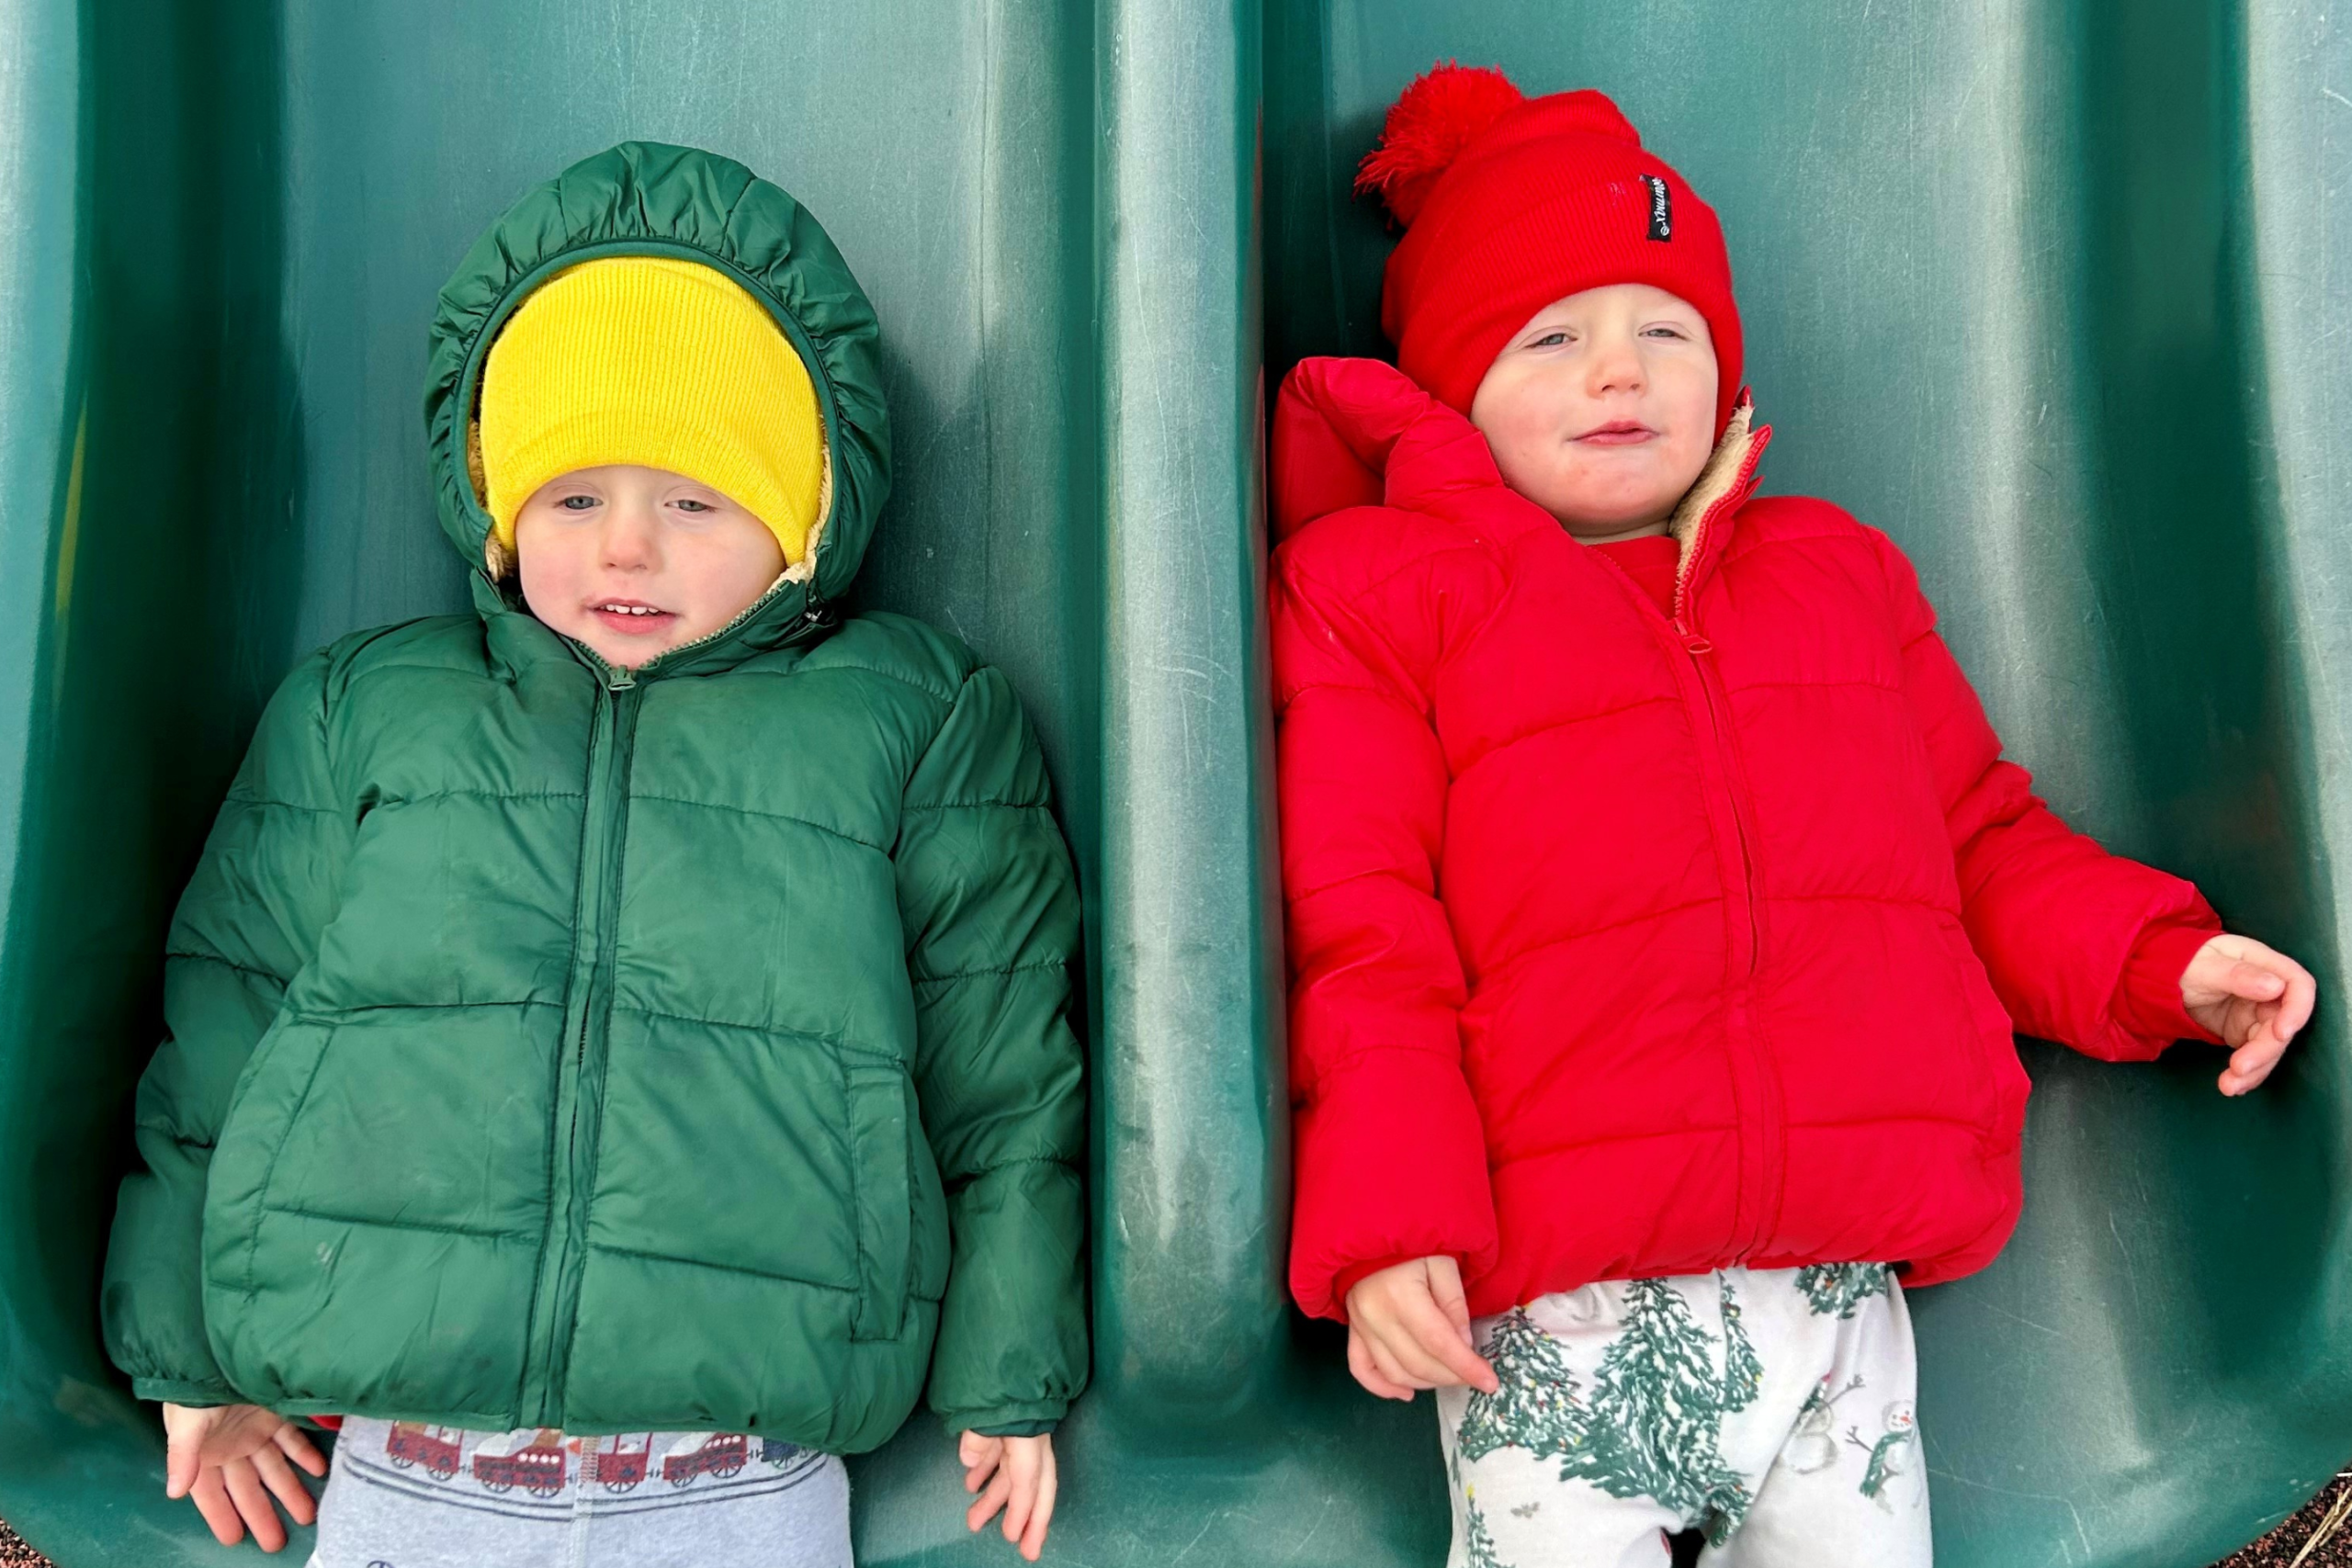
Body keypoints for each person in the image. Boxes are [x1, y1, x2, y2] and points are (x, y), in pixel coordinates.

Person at [1269, 64, 2316, 1567]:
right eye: (1552, 336)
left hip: (1835, 1290)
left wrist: (2160, 961)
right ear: (1455, 385)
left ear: (1726, 365)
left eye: (1665, 330)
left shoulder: (1835, 575)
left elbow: (1975, 838)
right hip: (1558, 1300)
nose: (1619, 373)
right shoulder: (1394, 595)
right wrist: (1389, 1211)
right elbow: (1359, 919)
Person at [99, 141, 1086, 1566]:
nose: (627, 547)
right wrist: (193, 1343)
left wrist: (1009, 1360)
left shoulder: (914, 717)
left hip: (738, 1462)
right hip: (403, 1456)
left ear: (804, 520)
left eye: (694, 500)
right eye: (573, 499)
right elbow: (224, 1023)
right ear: (499, 506)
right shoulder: (371, 705)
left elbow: (1003, 1067)